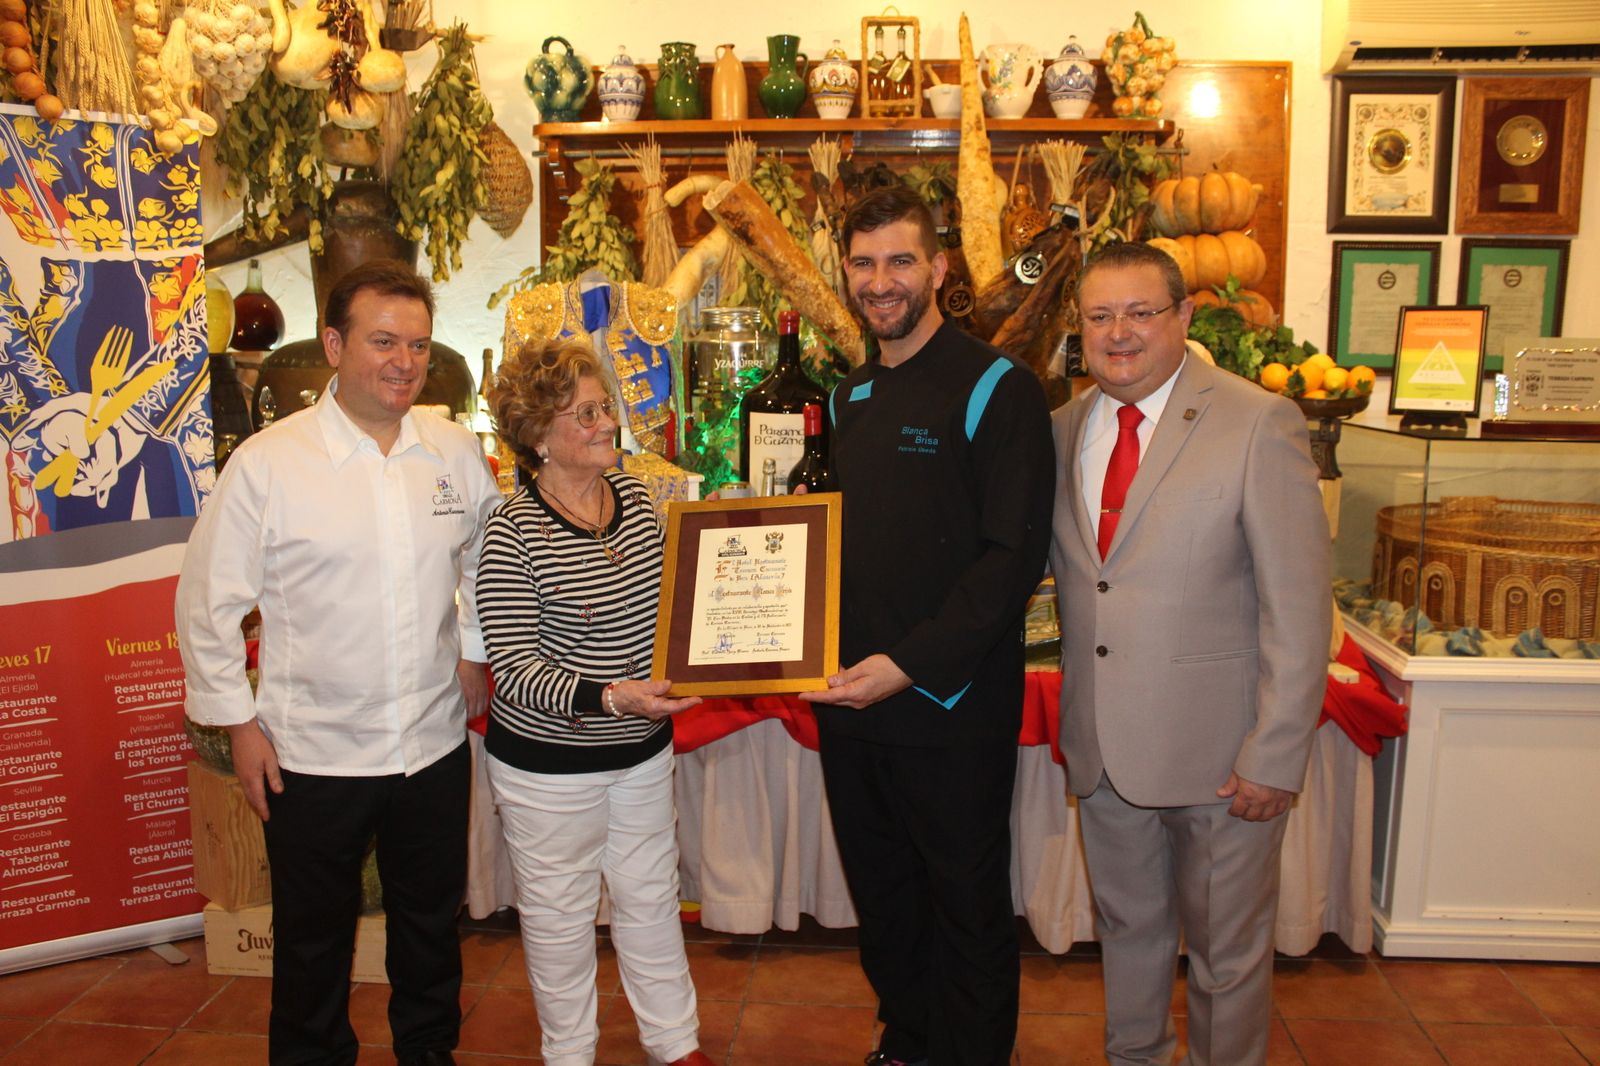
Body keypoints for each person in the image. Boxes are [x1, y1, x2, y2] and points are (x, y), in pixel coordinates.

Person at [175, 260, 501, 1066]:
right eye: (383, 341)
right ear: (333, 344)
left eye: (419, 346)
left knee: (430, 932)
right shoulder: (269, 463)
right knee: (312, 946)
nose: (404, 362)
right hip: (311, 755)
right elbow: (207, 603)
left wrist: (470, 652)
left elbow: (484, 562)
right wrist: (239, 725)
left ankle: (429, 1054)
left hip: (429, 745)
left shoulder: (453, 452)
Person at [1048, 241, 1331, 1066]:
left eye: (1141, 312)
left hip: (1223, 761)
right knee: (1130, 941)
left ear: (1184, 317)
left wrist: (1275, 755)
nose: (1119, 334)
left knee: (1226, 962)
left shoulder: (1259, 420)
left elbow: (1300, 605)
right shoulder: (1062, 429)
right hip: (1104, 753)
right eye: (1100, 316)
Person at [800, 184, 1055, 1066]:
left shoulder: (998, 387)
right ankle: (908, 1042)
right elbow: (845, 543)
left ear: (938, 268)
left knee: (965, 900)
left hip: (949, 703)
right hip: (851, 702)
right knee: (886, 896)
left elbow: (1009, 563)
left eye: (901, 260)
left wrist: (904, 666)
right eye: (864, 263)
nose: (882, 281)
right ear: (846, 273)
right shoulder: (848, 398)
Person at [476, 336, 712, 1066]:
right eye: (585, 414)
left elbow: (672, 609)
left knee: (650, 902)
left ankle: (676, 1047)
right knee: (559, 919)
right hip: (549, 770)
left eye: (604, 406)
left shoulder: (639, 501)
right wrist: (610, 697)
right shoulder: (509, 532)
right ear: (538, 436)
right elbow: (512, 670)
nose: (608, 423)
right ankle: (570, 1055)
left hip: (641, 753)